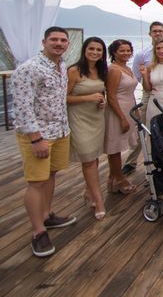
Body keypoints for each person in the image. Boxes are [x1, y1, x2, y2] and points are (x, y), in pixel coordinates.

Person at [13, 26, 77, 257]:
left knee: (50, 175)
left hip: (59, 131)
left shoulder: (60, 67)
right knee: (36, 182)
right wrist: (35, 139)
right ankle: (38, 231)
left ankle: (47, 215)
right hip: (39, 135)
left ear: (67, 44)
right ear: (44, 42)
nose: (59, 44)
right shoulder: (29, 69)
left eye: (63, 40)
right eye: (54, 40)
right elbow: (21, 108)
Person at [124, 21, 163, 175]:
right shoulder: (146, 60)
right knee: (152, 134)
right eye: (159, 49)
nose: (162, 50)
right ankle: (154, 168)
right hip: (153, 99)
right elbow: (145, 86)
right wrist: (144, 76)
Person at [67, 37, 108, 221]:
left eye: (99, 50)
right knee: (89, 159)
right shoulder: (74, 71)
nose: (95, 52)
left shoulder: (100, 70)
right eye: (92, 49)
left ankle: (89, 190)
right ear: (84, 50)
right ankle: (99, 202)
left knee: (94, 157)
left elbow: (102, 91)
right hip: (79, 119)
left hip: (97, 118)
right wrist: (87, 98)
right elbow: (64, 98)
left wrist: (102, 101)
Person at [104, 39, 138, 195]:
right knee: (115, 147)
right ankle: (119, 179)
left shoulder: (126, 68)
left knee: (119, 145)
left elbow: (129, 92)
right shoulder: (114, 70)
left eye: (128, 50)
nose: (126, 53)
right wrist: (122, 118)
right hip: (118, 111)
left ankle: (112, 178)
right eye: (121, 51)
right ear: (114, 52)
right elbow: (110, 96)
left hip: (129, 107)